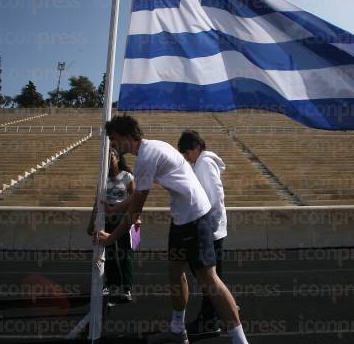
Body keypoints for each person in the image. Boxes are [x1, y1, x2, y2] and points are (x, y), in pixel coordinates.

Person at [93, 116, 248, 344]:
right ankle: (177, 329)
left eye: (114, 139)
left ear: (127, 136)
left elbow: (136, 211)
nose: (112, 145)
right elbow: (136, 196)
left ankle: (240, 340)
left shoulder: (146, 157)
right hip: (181, 217)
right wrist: (115, 208)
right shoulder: (153, 147)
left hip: (194, 217)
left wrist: (111, 238)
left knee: (209, 279)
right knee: (175, 273)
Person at [178, 130, 227, 338]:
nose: (187, 157)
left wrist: (212, 227)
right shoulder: (201, 163)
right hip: (211, 229)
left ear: (196, 147)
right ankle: (213, 316)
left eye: (188, 152)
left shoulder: (205, 163)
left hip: (211, 231)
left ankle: (211, 320)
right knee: (211, 278)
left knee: (210, 279)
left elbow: (215, 196)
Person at [87, 148, 139, 302]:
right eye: (106, 157)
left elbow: (136, 199)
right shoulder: (102, 179)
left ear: (118, 158)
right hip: (106, 218)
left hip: (122, 217)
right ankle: (111, 284)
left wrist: (136, 218)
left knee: (124, 252)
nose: (109, 160)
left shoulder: (127, 177)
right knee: (108, 252)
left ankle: (127, 287)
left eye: (112, 157)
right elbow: (97, 202)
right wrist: (91, 223)